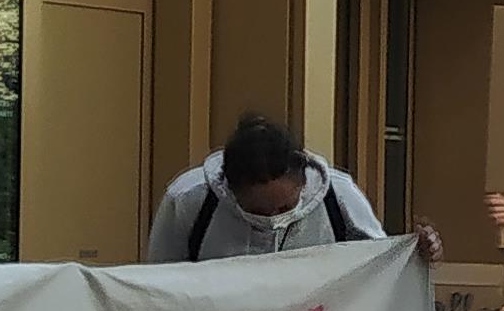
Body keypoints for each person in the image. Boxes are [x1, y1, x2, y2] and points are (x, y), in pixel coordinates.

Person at [147, 112, 402, 262]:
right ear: (229, 189)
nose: (273, 219)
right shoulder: (188, 200)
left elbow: (382, 266)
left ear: (304, 181)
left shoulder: (339, 197)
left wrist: (417, 252)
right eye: (258, 211)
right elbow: (160, 283)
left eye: (284, 207)